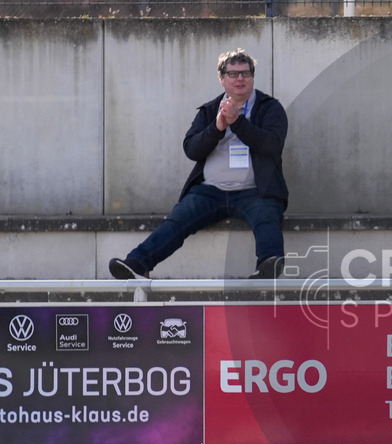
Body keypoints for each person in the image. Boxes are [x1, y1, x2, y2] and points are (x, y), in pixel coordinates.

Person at [109, 48, 289, 280]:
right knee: (178, 219)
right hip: (210, 191)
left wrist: (238, 122)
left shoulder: (270, 108)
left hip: (255, 191)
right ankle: (137, 265)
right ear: (222, 79)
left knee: (267, 216)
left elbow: (272, 145)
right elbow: (191, 149)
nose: (240, 79)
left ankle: (268, 266)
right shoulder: (209, 110)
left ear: (252, 77)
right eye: (233, 74)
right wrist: (217, 128)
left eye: (245, 73)